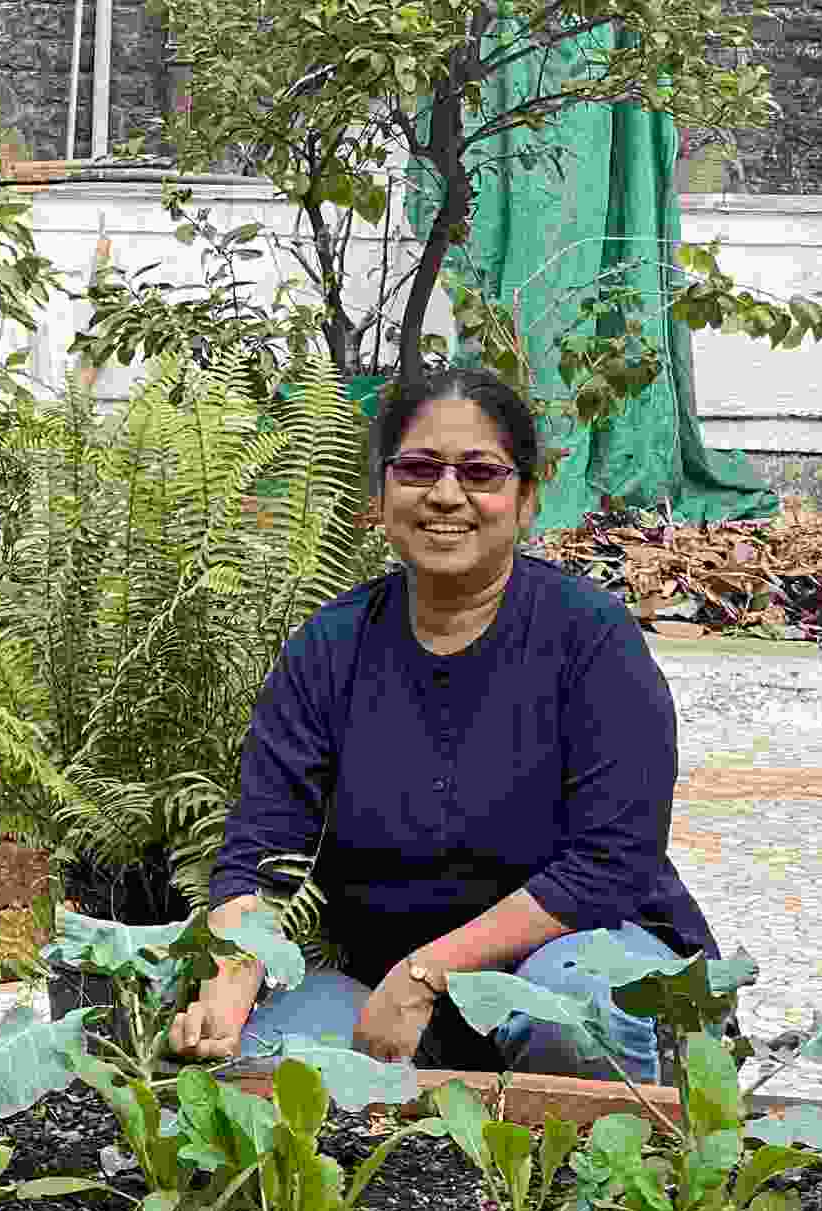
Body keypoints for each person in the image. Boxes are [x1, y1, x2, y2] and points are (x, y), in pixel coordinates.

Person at [168, 366, 718, 1083]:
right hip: (383, 983)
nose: (445, 494)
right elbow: (260, 856)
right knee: (264, 1072)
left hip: (577, 952)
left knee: (574, 1010)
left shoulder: (588, 638)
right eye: (418, 468)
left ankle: (608, 1186)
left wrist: (428, 972)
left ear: (524, 501)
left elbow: (609, 865)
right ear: (381, 493)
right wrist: (227, 989)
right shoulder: (330, 647)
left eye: (480, 472)